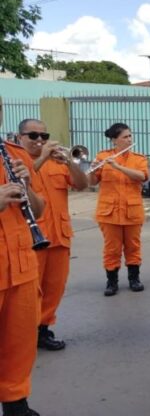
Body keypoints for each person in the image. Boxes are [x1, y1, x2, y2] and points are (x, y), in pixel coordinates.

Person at [17, 119, 88, 351]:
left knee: (54, 287)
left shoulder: (58, 162)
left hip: (60, 236)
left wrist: (70, 163)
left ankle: (43, 330)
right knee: (29, 292)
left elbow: (82, 184)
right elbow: (17, 181)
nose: (40, 140)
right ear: (20, 138)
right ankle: (24, 333)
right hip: (32, 239)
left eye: (44, 136)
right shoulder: (15, 161)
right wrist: (42, 157)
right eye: (33, 136)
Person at [0, 138, 46, 416]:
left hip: (21, 266)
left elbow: (39, 211)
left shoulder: (16, 154)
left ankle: (16, 404)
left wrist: (27, 185)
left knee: (20, 342)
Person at [89, 123, 148, 296]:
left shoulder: (139, 158)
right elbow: (92, 182)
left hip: (132, 210)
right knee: (112, 248)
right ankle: (112, 281)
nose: (129, 139)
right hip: (109, 212)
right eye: (125, 137)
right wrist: (95, 169)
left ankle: (134, 279)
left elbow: (142, 176)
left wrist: (117, 167)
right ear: (114, 140)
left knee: (133, 246)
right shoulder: (102, 156)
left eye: (130, 136)